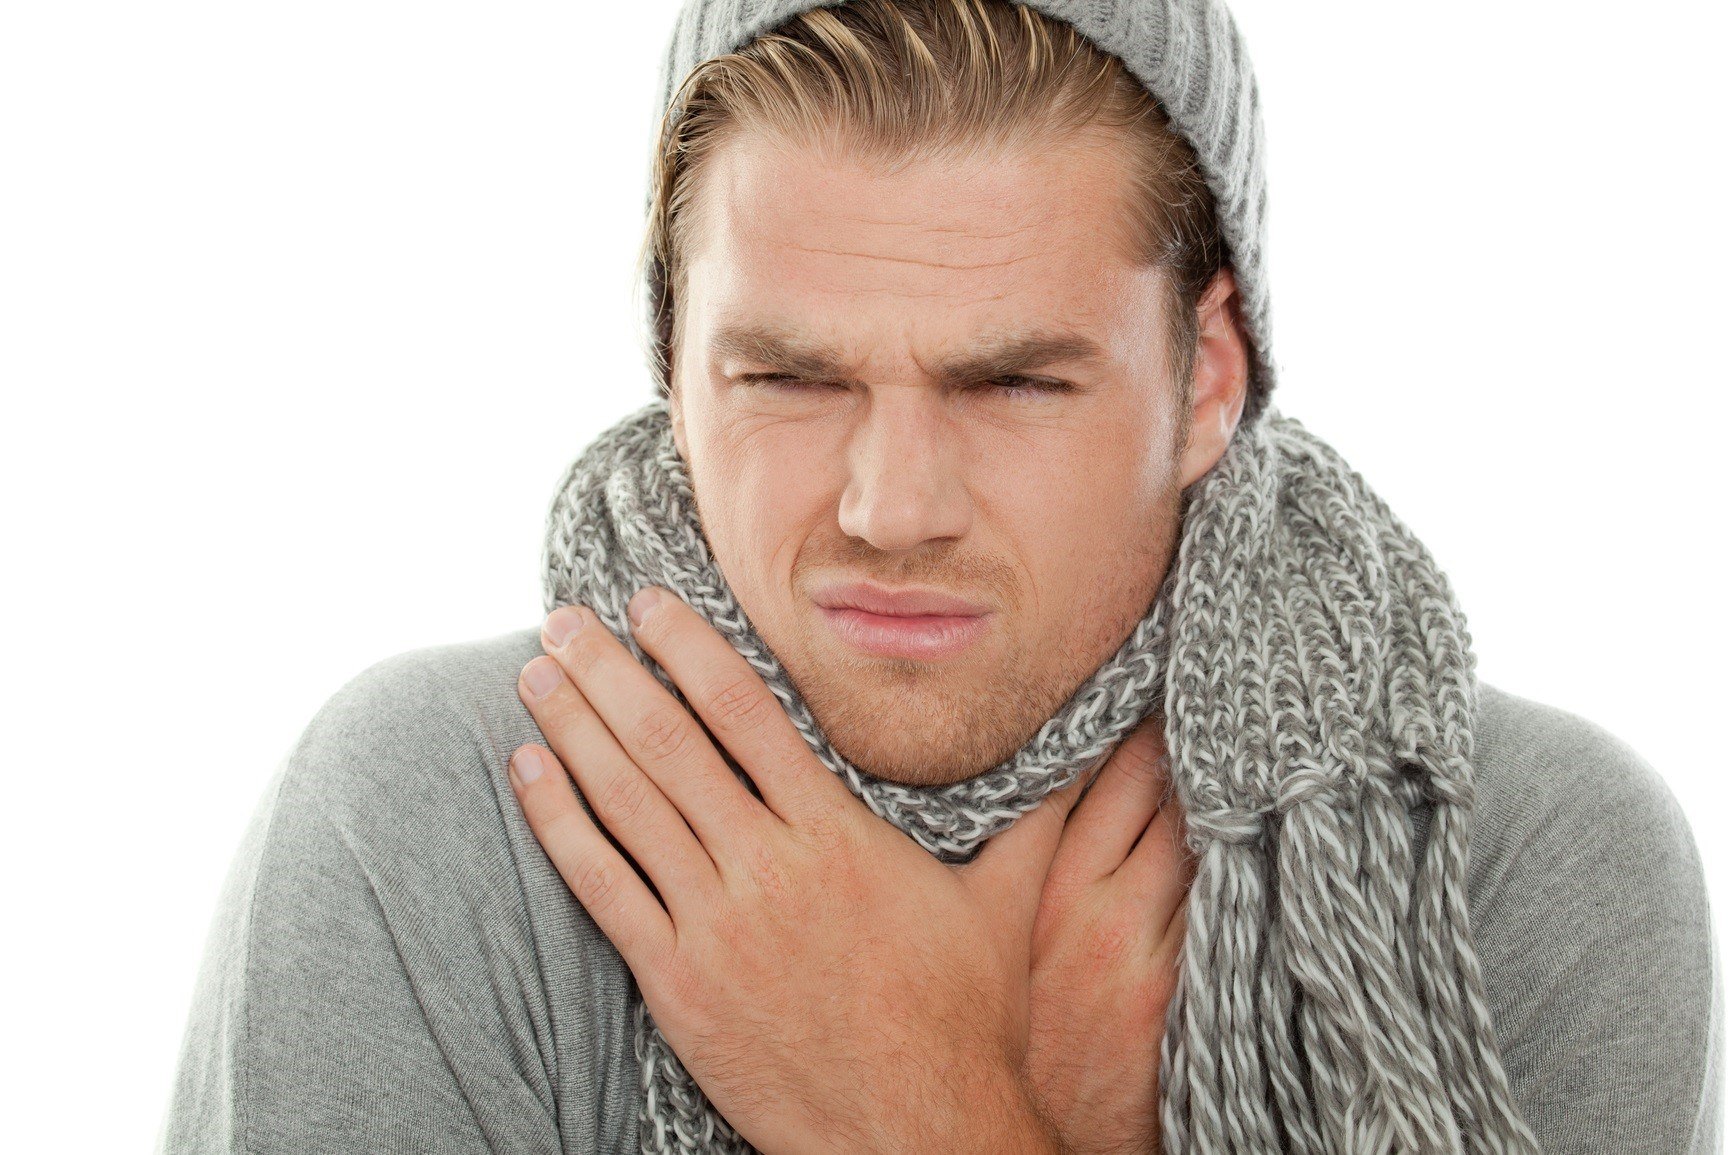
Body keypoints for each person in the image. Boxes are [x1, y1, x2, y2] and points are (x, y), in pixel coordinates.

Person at [156, 1, 1722, 1152]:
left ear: (1207, 378)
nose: (890, 508)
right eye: (788, 378)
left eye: (1013, 383)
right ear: (671, 362)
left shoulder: (1517, 861)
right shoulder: (435, 823)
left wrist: (928, 1108)